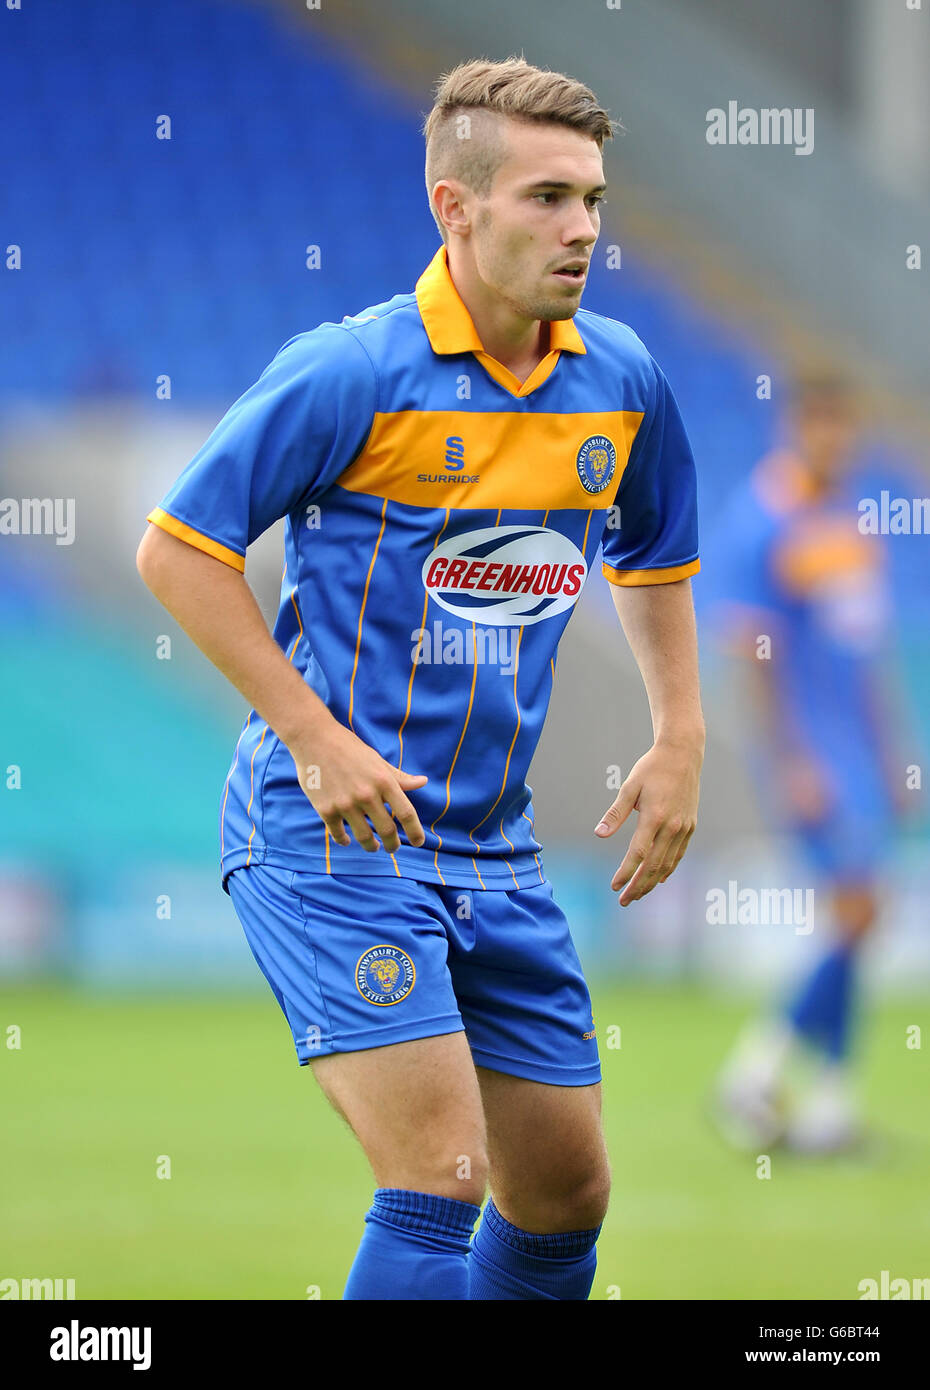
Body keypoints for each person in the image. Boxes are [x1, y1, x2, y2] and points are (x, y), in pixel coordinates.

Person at [136, 56, 704, 1299]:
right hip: (335, 833)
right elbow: (178, 553)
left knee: (563, 1199)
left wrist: (679, 735)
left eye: (594, 198)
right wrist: (311, 735)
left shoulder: (622, 380)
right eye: (548, 197)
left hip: (494, 849)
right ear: (456, 208)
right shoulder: (351, 371)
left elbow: (657, 555)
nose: (584, 228)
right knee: (440, 1175)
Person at [711, 373, 904, 1154]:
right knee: (860, 912)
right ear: (797, 426)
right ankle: (753, 1075)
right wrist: (789, 758)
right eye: (823, 426)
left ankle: (829, 1109)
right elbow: (750, 651)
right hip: (810, 751)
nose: (837, 442)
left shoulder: (849, 526)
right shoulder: (764, 521)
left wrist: (895, 755)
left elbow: (868, 654)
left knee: (856, 919)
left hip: (857, 750)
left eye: (845, 427)